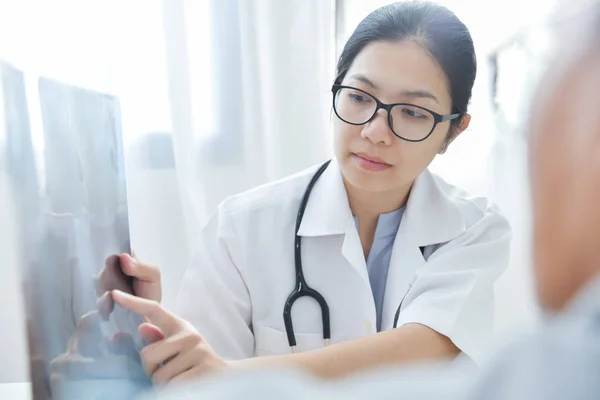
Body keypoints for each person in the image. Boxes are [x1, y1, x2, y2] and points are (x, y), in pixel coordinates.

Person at [125, 0, 600, 398]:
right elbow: (193, 383)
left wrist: (233, 377)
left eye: (412, 112)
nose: (374, 131)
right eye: (358, 97)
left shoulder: (474, 227)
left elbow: (425, 347)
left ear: (453, 132)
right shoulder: (242, 225)